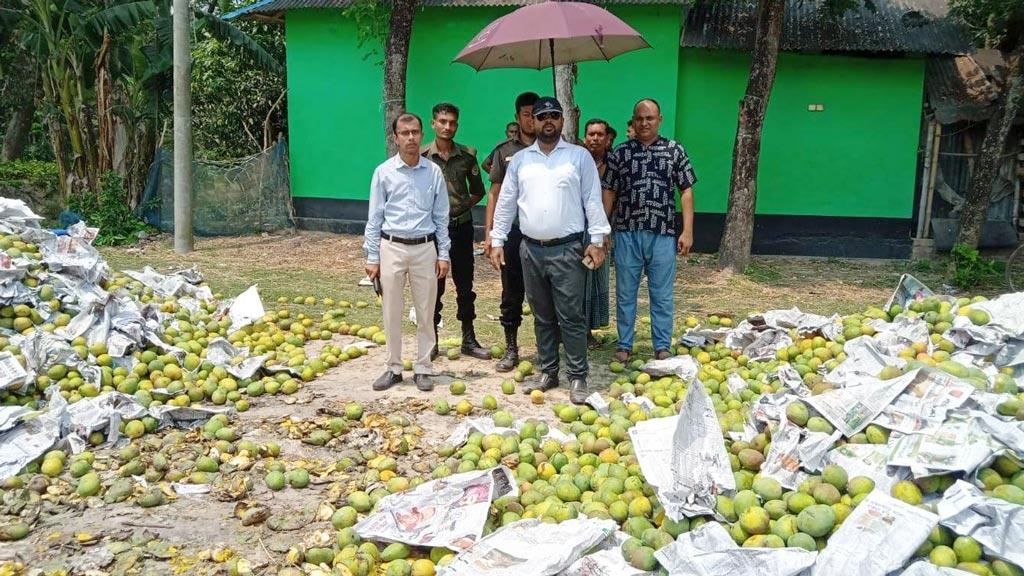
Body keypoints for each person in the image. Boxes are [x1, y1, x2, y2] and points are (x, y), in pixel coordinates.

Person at [489, 97, 611, 404]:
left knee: (571, 316)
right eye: (542, 115)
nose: (548, 120)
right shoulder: (520, 161)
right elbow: (506, 202)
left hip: (568, 250)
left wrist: (597, 241)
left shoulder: (579, 157)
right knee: (542, 316)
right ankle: (548, 371)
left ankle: (578, 376)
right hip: (530, 250)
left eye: (554, 115)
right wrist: (497, 239)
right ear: (532, 121)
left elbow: (592, 200)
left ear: (562, 121)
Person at [603, 98, 696, 363]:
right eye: (639, 119)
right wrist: (603, 229)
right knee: (625, 292)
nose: (644, 123)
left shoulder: (674, 150)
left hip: (662, 233)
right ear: (633, 121)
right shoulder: (620, 153)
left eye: (650, 118)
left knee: (662, 294)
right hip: (626, 232)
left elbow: (686, 190)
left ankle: (662, 345)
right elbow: (609, 191)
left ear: (659, 120)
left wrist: (687, 231)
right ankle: (624, 344)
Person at [364, 112, 451, 392]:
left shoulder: (433, 172)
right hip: (391, 247)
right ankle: (393, 367)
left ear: (422, 134)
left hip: (425, 248)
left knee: (426, 311)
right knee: (391, 310)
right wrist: (372, 257)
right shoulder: (384, 172)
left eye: (415, 132)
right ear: (396, 137)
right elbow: (374, 217)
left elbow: (441, 217)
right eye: (405, 133)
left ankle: (424, 367)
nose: (411, 137)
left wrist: (443, 254)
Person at [422, 102, 490, 360]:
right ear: (433, 123)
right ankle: (431, 341)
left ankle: (469, 339)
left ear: (457, 125)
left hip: (461, 228)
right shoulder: (422, 156)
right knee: (433, 287)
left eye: (452, 122)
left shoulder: (468, 156)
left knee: (465, 285)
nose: (447, 127)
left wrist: (460, 208)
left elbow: (478, 191)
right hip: (432, 232)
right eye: (442, 122)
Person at [483, 92, 539, 372]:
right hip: (514, 233)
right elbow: (494, 194)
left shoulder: (553, 148)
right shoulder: (505, 151)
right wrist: (490, 234)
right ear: (517, 117)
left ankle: (547, 349)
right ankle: (512, 348)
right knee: (511, 292)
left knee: (545, 296)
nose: (531, 119)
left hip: (542, 235)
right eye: (526, 114)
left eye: (535, 113)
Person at [582, 118, 613, 349]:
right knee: (578, 280)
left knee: (596, 279)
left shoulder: (614, 164)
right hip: (576, 230)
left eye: (599, 134)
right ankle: (573, 330)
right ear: (585, 137)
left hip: (603, 231)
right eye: (591, 134)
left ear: (607, 138)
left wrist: (605, 231)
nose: (595, 138)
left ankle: (589, 331)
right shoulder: (577, 160)